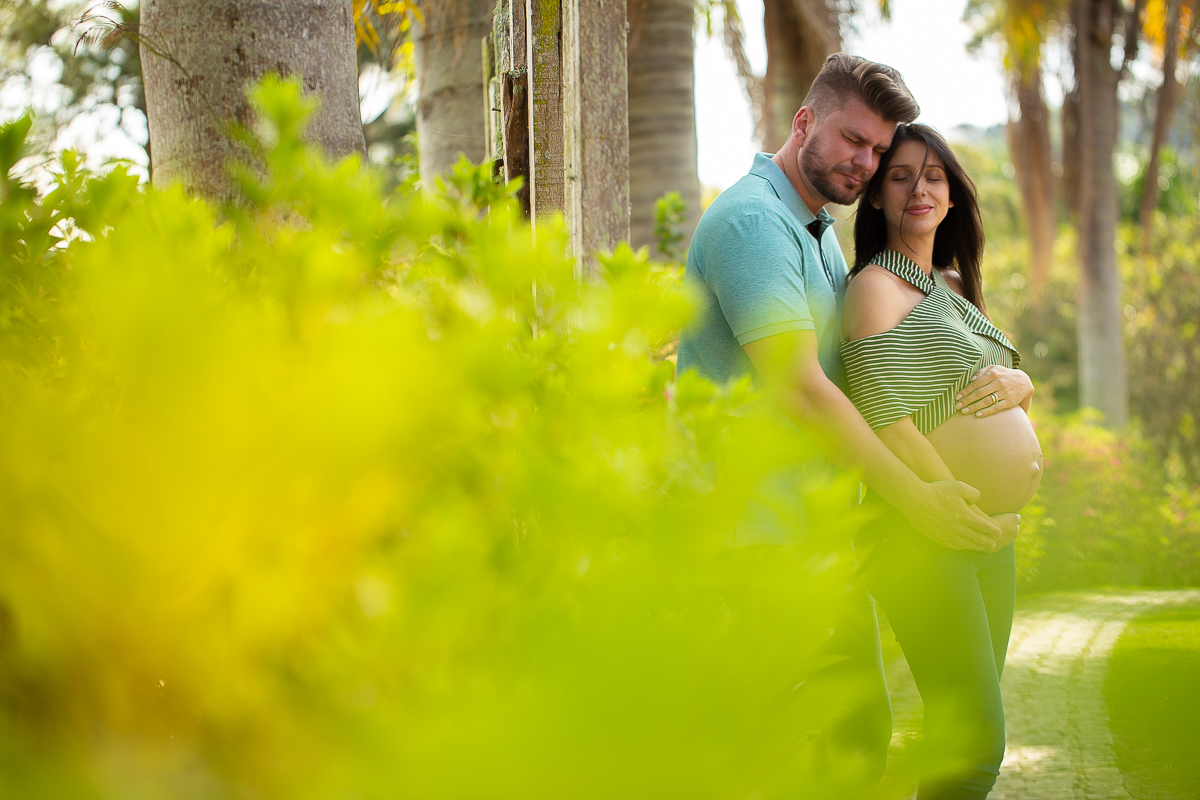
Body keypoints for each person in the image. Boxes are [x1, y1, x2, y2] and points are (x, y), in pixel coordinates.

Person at [677, 54, 1005, 781]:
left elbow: (862, 382)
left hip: (809, 537)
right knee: (787, 750)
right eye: (853, 139)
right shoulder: (754, 224)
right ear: (804, 123)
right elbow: (801, 388)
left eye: (878, 149)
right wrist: (917, 498)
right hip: (752, 540)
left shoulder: (816, 230)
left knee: (851, 743)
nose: (866, 161)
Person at [841, 122, 1043, 799]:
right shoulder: (873, 287)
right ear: (875, 196)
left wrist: (1026, 384)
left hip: (986, 539)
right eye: (900, 175)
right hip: (928, 532)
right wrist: (953, 503)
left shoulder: (951, 285)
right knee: (976, 745)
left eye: (934, 175)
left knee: (968, 736)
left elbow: (999, 381)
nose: (919, 187)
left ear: (953, 195)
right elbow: (884, 416)